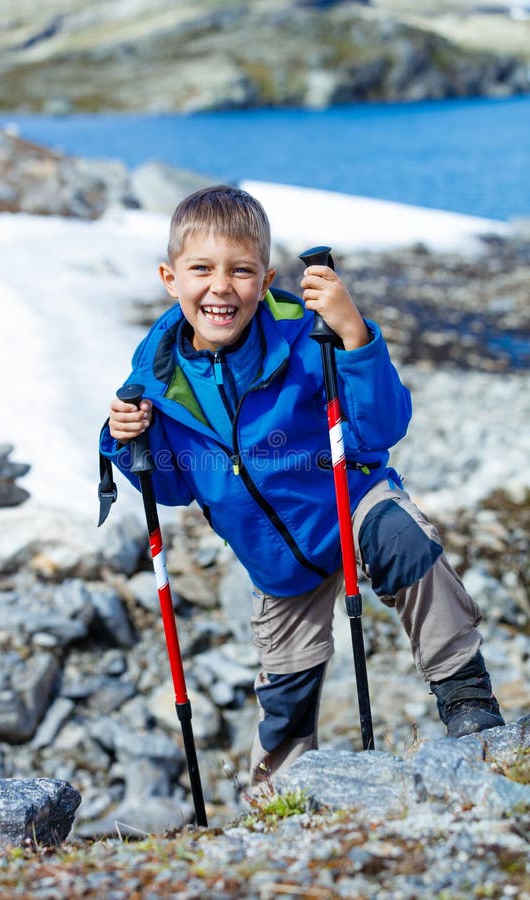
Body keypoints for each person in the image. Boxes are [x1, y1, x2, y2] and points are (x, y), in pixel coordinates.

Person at [99, 184, 504, 785]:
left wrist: (354, 334)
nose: (220, 287)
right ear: (169, 277)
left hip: (347, 499)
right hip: (273, 561)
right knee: (286, 696)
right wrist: (126, 438)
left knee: (404, 539)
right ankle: (283, 800)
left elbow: (385, 426)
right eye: (201, 270)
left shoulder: (305, 336)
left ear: (264, 280)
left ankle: (471, 708)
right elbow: (178, 490)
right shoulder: (155, 377)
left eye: (241, 271)